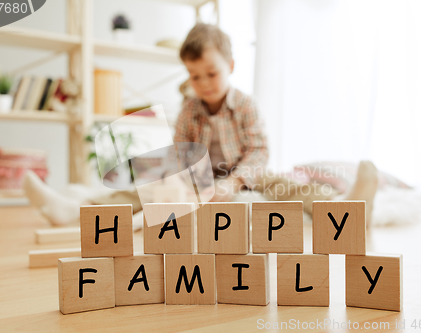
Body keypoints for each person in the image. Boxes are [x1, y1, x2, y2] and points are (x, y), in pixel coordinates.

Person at [24, 23, 378, 226]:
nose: (204, 83)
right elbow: (180, 150)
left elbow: (259, 150)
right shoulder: (189, 109)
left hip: (244, 174)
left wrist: (236, 181)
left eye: (212, 73)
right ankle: (74, 210)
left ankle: (346, 209)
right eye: (195, 76)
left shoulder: (245, 105)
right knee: (147, 187)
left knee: (285, 184)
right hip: (201, 174)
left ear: (231, 67)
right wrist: (177, 178)